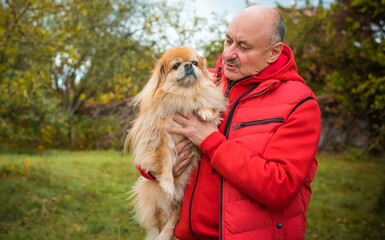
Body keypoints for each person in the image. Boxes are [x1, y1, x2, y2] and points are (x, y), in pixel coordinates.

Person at [139, 4, 321, 239]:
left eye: (243, 46)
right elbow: (150, 138)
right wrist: (161, 169)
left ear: (274, 52)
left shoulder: (299, 103)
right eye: (228, 41)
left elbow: (280, 187)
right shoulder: (202, 81)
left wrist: (210, 140)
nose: (228, 54)